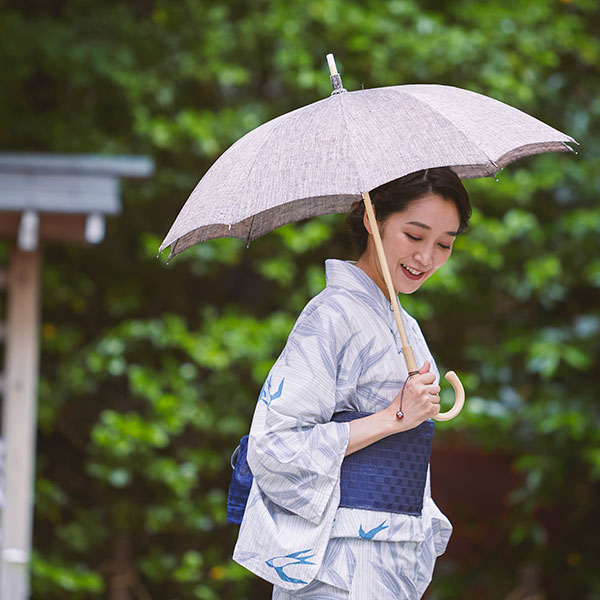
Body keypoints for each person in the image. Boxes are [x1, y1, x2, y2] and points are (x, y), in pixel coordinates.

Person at [232, 167, 472, 599]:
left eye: (444, 244)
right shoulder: (331, 316)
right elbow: (274, 445)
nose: (426, 257)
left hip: (392, 556)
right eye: (414, 236)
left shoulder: (407, 328)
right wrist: (394, 416)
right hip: (339, 565)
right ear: (371, 219)